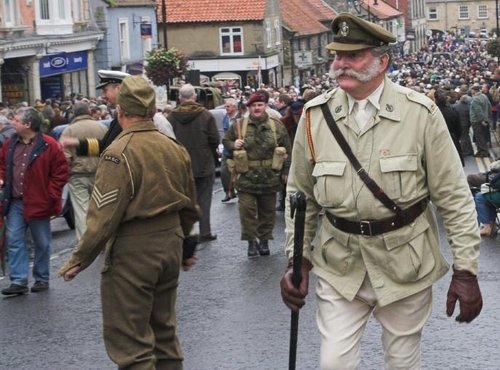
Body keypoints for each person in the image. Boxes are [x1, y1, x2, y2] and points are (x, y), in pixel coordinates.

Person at [280, 13, 483, 369]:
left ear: (382, 61)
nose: (340, 64)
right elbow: (301, 195)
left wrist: (465, 271)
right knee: (333, 363)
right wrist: (297, 260)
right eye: (337, 56)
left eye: (353, 56)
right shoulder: (314, 117)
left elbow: (453, 196)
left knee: (402, 363)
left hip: (405, 262)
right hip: (339, 263)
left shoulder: (420, 114)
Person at [59, 76, 200, 370]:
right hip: (170, 243)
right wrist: (186, 245)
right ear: (151, 111)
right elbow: (190, 206)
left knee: (131, 341)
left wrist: (78, 260)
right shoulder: (173, 147)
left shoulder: (118, 153)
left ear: (120, 111)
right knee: (164, 332)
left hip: (134, 250)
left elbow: (103, 216)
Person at [0, 107, 68, 295]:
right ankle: (19, 280)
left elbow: (60, 172)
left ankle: (41, 278)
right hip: (15, 202)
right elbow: (2, 166)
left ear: (27, 124)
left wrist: (51, 194)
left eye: (16, 119)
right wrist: (2, 179)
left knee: (42, 242)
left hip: (39, 202)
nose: (11, 121)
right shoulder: (9, 144)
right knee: (14, 240)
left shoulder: (49, 145)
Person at [222, 92, 291, 257]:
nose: (257, 108)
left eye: (260, 105)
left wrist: (286, 170)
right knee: (247, 211)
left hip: (270, 177)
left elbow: (287, 148)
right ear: (249, 108)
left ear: (265, 106)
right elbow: (225, 141)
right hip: (246, 177)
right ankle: (251, 242)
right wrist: (234, 144)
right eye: (253, 106)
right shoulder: (239, 125)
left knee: (267, 212)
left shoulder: (276, 126)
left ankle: (264, 241)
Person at [168, 84, 220, 242]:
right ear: (195, 96)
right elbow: (214, 139)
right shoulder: (205, 115)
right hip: (204, 163)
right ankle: (205, 231)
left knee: (184, 200)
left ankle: (185, 232)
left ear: (180, 98)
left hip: (181, 164)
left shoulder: (171, 117)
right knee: (204, 199)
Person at [60, 102, 107, 241]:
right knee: (100, 208)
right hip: (99, 172)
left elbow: (65, 155)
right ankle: (102, 239)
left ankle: (85, 243)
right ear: (89, 111)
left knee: (82, 211)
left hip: (78, 174)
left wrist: (67, 171)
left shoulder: (69, 131)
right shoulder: (101, 127)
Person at [60, 70, 130, 156]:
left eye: (105, 90)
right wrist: (77, 142)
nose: (102, 96)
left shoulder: (130, 117)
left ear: (118, 89)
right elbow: (106, 146)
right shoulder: (121, 115)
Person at [434, 88, 463, 165]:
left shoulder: (432, 113)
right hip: (452, 138)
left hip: (438, 140)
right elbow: (459, 129)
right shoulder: (453, 111)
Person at [220, 98, 240, 203]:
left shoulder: (240, 119)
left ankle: (239, 191)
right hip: (227, 149)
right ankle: (227, 192)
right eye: (225, 106)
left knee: (239, 172)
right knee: (224, 172)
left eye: (228, 106)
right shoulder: (225, 118)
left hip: (238, 150)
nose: (226, 108)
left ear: (234, 107)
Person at [470, 83, 491, 158]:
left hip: (477, 121)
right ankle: (481, 150)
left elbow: (478, 111)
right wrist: (488, 118)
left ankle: (483, 152)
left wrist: (482, 120)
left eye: (471, 90)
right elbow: (489, 106)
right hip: (485, 119)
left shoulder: (475, 99)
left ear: (474, 90)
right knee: (482, 136)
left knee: (479, 136)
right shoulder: (484, 96)